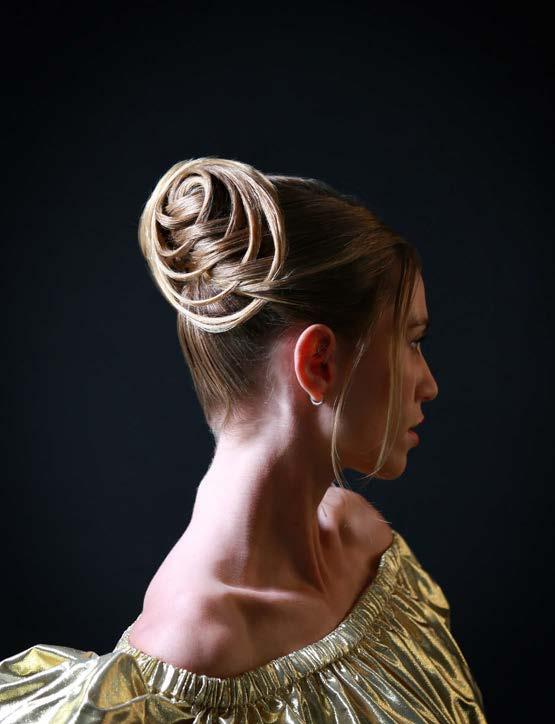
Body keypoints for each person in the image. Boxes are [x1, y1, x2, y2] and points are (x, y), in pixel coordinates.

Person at [0, 157, 487, 722]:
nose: (429, 383)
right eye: (410, 340)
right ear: (319, 362)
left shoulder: (367, 545)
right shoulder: (196, 646)